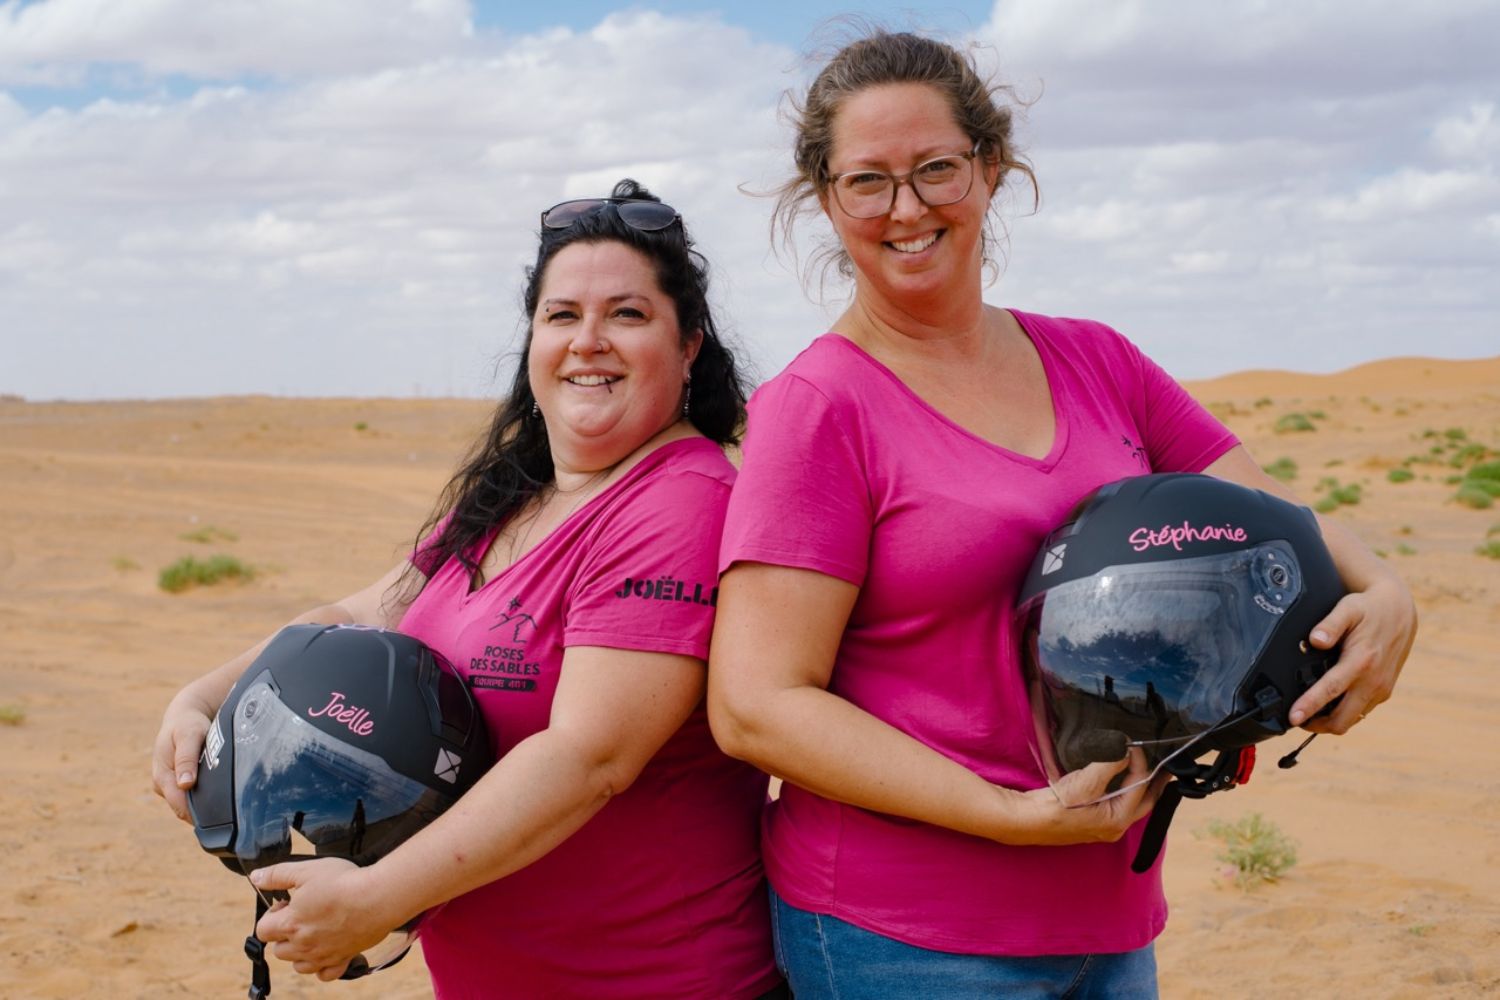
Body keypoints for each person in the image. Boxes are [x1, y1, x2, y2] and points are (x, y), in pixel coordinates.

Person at [706, 30, 1417, 1000]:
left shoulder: (1098, 361)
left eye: (936, 169)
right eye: (868, 181)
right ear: (828, 200)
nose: (906, 208)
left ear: (991, 170)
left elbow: (1270, 517)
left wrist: (1383, 589)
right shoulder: (820, 407)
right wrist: (1005, 813)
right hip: (904, 931)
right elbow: (755, 705)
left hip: (1107, 912)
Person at [152, 179, 785, 1000]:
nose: (588, 341)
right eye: (562, 316)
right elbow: (353, 619)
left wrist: (377, 897)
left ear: (689, 343)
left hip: (651, 976)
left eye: (627, 315)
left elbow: (590, 756)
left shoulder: (680, 503)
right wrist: (200, 700)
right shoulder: (512, 493)